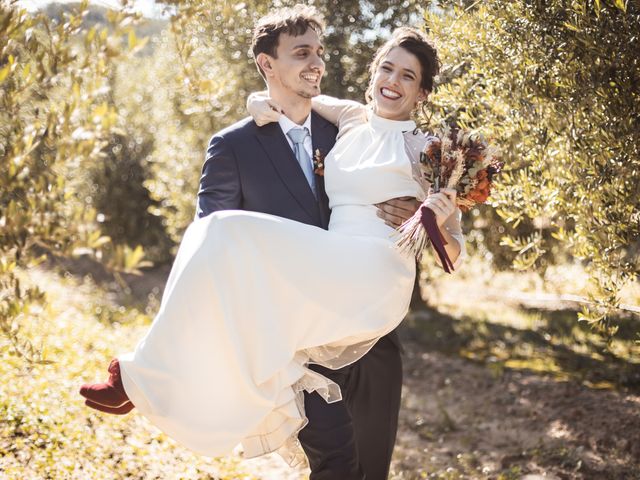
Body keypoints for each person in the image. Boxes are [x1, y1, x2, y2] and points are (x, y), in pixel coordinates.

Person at [79, 6, 465, 480]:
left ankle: (133, 377)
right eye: (387, 67)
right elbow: (290, 100)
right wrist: (255, 103)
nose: (394, 81)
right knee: (215, 232)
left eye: (408, 76)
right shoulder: (351, 120)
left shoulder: (429, 149)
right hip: (325, 283)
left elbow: (454, 250)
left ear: (422, 91)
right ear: (373, 72)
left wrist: (432, 221)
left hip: (372, 277)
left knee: (223, 231)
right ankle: (145, 376)